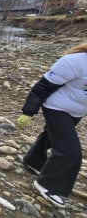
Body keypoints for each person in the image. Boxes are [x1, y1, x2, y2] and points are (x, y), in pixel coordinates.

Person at [17, 43, 87, 208]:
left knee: (51, 136)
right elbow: (42, 87)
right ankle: (48, 185)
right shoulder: (74, 62)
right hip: (56, 107)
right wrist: (28, 112)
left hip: (77, 111)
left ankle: (33, 161)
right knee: (69, 151)